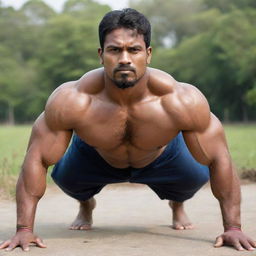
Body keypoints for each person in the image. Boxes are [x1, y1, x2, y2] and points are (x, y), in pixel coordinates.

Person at [0, 8, 255, 252]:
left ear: (149, 53)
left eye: (134, 50)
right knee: (65, 177)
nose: (124, 59)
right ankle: (86, 204)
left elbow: (219, 157)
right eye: (114, 50)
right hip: (95, 155)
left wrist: (233, 227)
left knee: (195, 177)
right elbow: (37, 158)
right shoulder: (72, 99)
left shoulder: (181, 100)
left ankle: (177, 204)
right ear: (101, 54)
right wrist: (24, 229)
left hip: (163, 155)